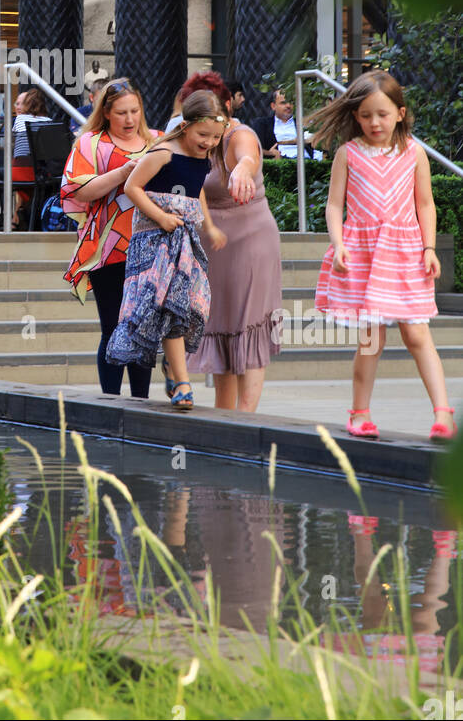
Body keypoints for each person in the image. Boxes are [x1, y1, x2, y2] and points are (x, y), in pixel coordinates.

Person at [312, 70, 455, 442]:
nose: (374, 122)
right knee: (371, 339)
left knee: (417, 334)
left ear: (400, 113)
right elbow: (333, 205)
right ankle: (359, 413)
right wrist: (339, 243)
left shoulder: (414, 153)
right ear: (356, 117)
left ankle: (443, 413)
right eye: (365, 115)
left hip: (406, 253)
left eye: (383, 114)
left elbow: (426, 204)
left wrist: (429, 248)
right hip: (364, 254)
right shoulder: (348, 154)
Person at [106, 90, 228, 410]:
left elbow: (195, 192)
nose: (209, 142)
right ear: (185, 126)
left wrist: (210, 225)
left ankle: (174, 370)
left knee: (191, 306)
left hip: (184, 238)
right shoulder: (163, 152)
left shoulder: (203, 158)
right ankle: (184, 383)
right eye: (203, 135)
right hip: (154, 241)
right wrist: (160, 216)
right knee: (169, 305)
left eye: (216, 137)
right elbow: (133, 186)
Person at [182, 72, 284, 412]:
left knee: (249, 325)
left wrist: (242, 170)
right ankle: (224, 417)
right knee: (221, 327)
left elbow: (248, 157)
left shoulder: (241, 134)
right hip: (214, 243)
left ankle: (247, 416)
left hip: (252, 239)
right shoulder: (195, 140)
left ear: (227, 105)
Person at [60, 78, 161, 398]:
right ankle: (109, 401)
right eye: (121, 113)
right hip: (108, 248)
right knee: (114, 327)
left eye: (135, 111)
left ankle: (141, 401)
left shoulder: (158, 140)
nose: (130, 119)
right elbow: (78, 190)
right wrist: (122, 173)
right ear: (105, 112)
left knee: (143, 328)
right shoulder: (89, 143)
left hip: (152, 246)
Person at [11, 86, 52, 226]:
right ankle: (41, 218)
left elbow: (15, 143)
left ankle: (20, 215)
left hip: (17, 172)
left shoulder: (20, 119)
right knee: (51, 181)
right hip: (35, 173)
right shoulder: (48, 122)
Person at [254, 87, 321, 159]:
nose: (288, 106)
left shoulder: (303, 123)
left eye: (291, 102)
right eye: (283, 103)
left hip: (305, 161)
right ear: (273, 106)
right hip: (280, 163)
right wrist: (270, 153)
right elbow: (255, 149)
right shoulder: (262, 124)